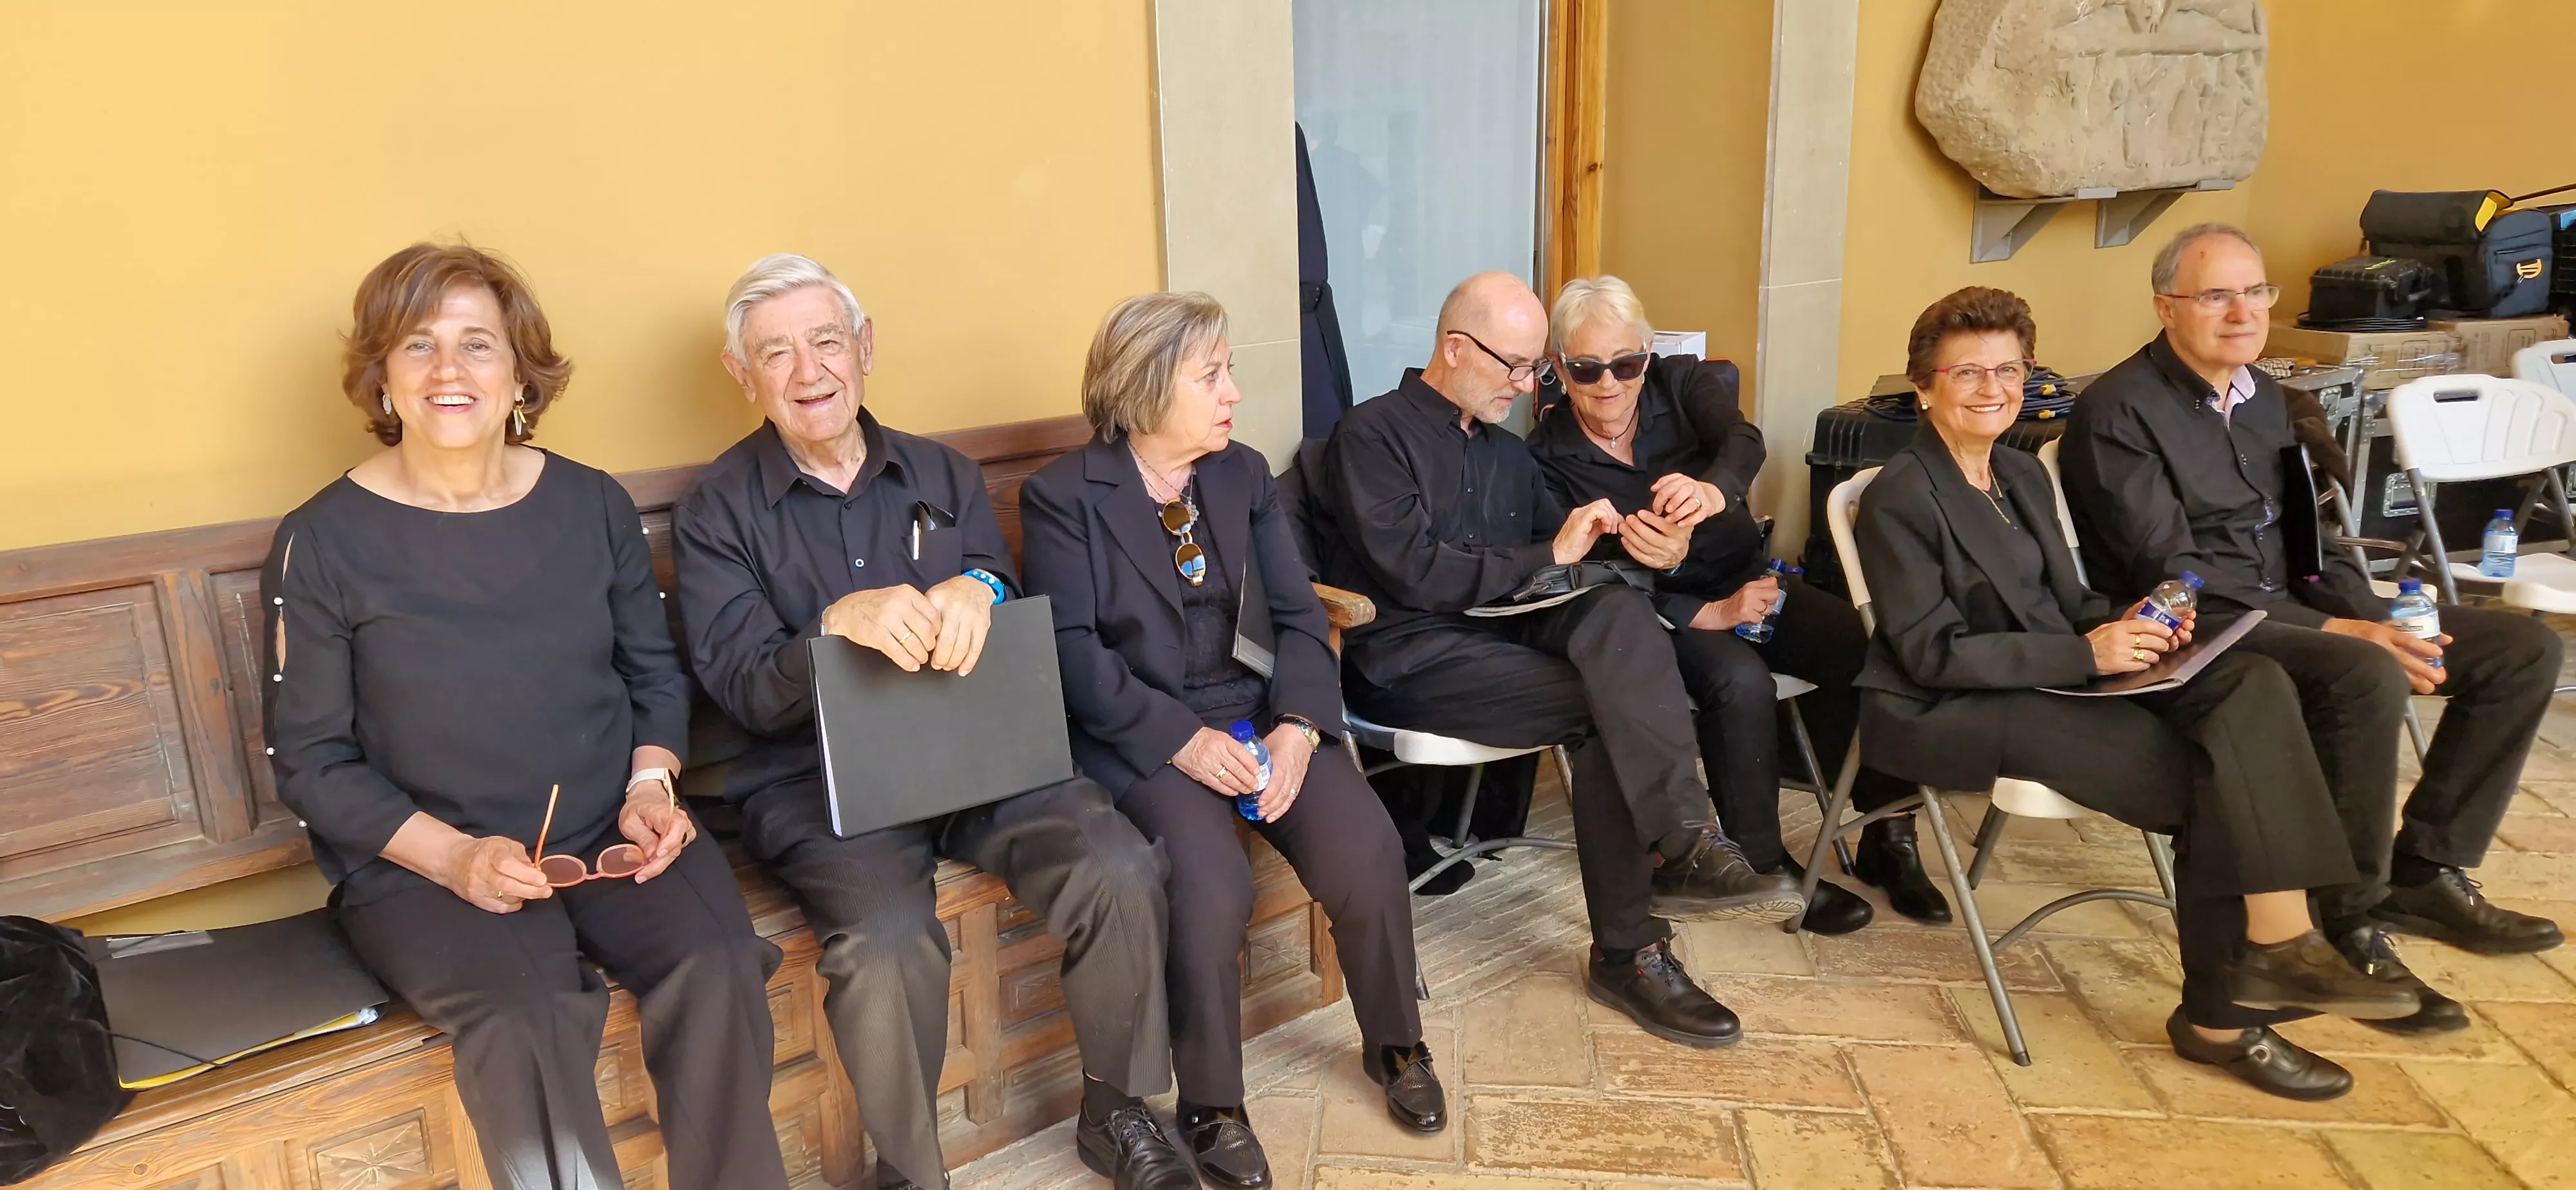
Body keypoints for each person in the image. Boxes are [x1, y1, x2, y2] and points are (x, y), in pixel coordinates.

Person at [262, 243, 787, 1189]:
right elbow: (311, 760)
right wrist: (455, 857)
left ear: (519, 375)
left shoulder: (591, 505)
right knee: (527, 1017)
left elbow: (653, 673)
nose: (450, 372)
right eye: (418, 346)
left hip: (610, 828)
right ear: (382, 376)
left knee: (718, 961)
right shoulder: (322, 542)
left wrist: (650, 786)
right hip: (422, 863)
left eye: (478, 345)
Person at [671, 256, 1190, 1190]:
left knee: (1119, 861)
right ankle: (911, 1172)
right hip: (820, 779)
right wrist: (833, 625)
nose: (808, 370)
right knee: (884, 942)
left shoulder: (942, 471)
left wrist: (975, 586)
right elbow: (743, 687)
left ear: (864, 348)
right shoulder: (719, 510)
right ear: (741, 374)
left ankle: (1117, 1111)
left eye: (826, 340)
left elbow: (1002, 582)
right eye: (775, 353)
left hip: (975, 744)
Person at [1855, 286, 2422, 1101]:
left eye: (2008, 370)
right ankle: (2226, 1015)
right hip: (1944, 708)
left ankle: (2283, 940)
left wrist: (2139, 626)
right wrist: (2087, 653)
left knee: (2250, 679)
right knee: (2212, 779)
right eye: (1967, 373)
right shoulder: (1903, 495)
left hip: (2049, 672)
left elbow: (2062, 601)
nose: (1991, 389)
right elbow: (1930, 652)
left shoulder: (2016, 472)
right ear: (1924, 386)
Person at [2058, 225, 2565, 989]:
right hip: (2201, 630)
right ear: (2167, 308)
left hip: (2296, 608)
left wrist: (2374, 616)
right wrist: (2343, 631)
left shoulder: (2265, 398)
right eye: (2216, 295)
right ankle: (2346, 913)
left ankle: (2424, 872)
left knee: (2522, 651)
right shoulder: (2116, 412)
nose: (2243, 311)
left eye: (2255, 291)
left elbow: (2312, 544)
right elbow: (2170, 575)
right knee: (2362, 671)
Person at [1311, 270, 1803, 1051]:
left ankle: (1677, 843)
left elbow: (1581, 567)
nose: (1525, 384)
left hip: (1503, 643)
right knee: (1613, 701)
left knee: (1611, 613)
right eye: (1514, 365)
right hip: (1409, 658)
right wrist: (1550, 551)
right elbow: (1416, 573)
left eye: (1533, 367)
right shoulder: (1372, 434)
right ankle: (1636, 937)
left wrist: (1655, 554)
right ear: (1452, 347)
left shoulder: (1509, 459)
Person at [1019, 292, 1440, 1189]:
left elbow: (1297, 615)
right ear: (1143, 387)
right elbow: (1071, 655)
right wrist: (1180, 741)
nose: (1234, 395)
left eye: (1228, 373)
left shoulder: (1241, 475)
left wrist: (1297, 728)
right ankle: (1212, 1105)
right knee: (1211, 886)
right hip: (1148, 730)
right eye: (1211, 376)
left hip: (1260, 713)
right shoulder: (1065, 497)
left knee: (1367, 847)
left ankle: (1398, 1045)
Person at [1529, 276, 1940, 934]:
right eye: (1585, 368)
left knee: (1864, 648)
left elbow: (1743, 441)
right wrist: (1700, 606)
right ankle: (1764, 863)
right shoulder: (1546, 458)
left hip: (1743, 575)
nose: (1609, 384)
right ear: (1558, 368)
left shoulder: (1681, 383)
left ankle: (1888, 832)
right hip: (1660, 611)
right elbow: (1586, 578)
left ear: (1646, 355)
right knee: (1738, 681)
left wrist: (1715, 492)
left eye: (1626, 364)